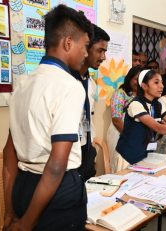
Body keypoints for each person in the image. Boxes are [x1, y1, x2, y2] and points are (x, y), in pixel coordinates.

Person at [2, 5, 92, 230]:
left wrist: (10, 212)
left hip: (23, 187)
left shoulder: (23, 84)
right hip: (57, 193)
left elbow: (9, 153)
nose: (86, 54)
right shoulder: (70, 86)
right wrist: (26, 225)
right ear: (68, 43)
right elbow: (55, 165)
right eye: (85, 46)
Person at [71, 24, 110, 181]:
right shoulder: (66, 81)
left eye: (105, 52)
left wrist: (91, 144)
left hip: (86, 148)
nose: (103, 57)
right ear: (85, 48)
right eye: (100, 51)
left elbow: (87, 116)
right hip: (69, 151)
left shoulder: (91, 83)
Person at [107, 66, 141, 172]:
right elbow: (116, 119)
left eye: (141, 79)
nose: (138, 82)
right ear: (129, 78)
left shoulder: (143, 96)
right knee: (120, 167)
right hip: (119, 133)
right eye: (136, 78)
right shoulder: (120, 93)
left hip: (136, 138)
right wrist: (130, 138)